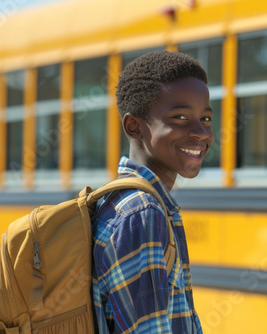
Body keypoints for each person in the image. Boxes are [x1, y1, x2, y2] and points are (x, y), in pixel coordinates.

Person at [91, 50, 213, 334]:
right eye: (180, 117)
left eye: (205, 118)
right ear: (134, 127)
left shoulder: (129, 202)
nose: (201, 133)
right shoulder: (142, 213)